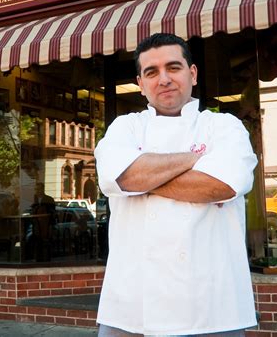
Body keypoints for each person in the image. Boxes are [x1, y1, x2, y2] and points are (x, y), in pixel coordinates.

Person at [94, 33, 258, 337]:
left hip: (210, 308)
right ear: (140, 84)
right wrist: (193, 159)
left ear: (192, 73)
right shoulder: (124, 127)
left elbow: (220, 185)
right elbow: (120, 177)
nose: (164, 79)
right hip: (132, 308)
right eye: (151, 72)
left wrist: (141, 176)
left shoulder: (224, 126)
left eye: (174, 67)